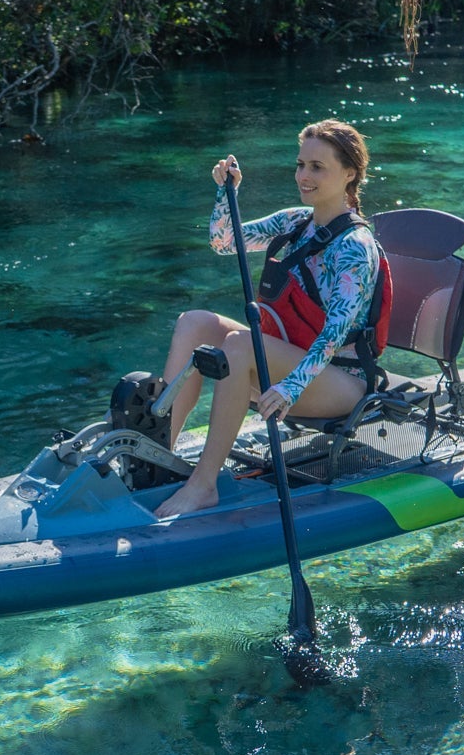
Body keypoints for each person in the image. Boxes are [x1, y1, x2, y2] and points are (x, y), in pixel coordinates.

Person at [152, 120, 386, 519]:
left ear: (349, 174)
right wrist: (229, 193)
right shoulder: (296, 222)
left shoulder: (354, 246)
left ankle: (203, 485)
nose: (303, 176)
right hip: (291, 359)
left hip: (340, 380)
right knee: (194, 322)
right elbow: (224, 243)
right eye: (300, 164)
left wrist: (292, 387)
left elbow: (336, 332)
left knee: (242, 345)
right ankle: (158, 457)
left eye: (317, 167)